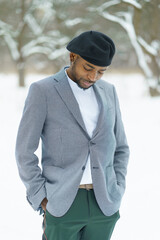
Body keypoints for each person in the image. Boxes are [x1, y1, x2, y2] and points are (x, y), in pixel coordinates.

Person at [15, 31, 130, 240]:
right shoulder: (43, 91)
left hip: (104, 203)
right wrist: (41, 197)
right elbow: (24, 151)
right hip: (63, 202)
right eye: (88, 68)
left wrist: (118, 188)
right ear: (72, 57)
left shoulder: (109, 91)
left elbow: (121, 147)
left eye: (101, 72)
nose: (93, 77)